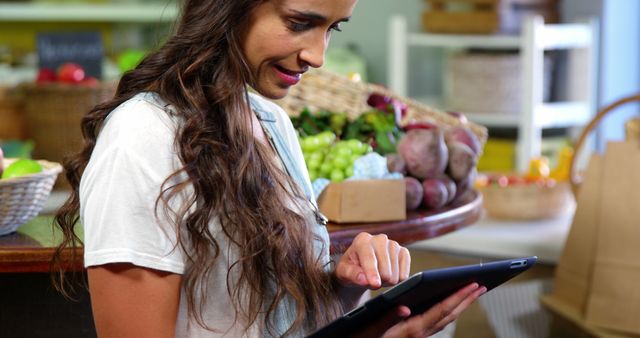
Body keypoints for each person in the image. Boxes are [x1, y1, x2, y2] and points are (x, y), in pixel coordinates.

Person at [53, 0, 486, 337]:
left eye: (332, 28)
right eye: (299, 22)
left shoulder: (270, 121)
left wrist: (344, 283)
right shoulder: (143, 135)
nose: (318, 56)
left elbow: (276, 322)